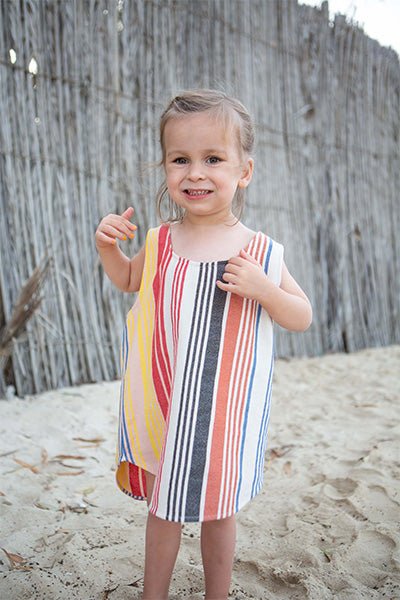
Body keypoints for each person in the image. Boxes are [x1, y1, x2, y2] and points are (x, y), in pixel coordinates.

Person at [95, 89, 312, 600]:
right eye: (180, 160)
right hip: (167, 402)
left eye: (213, 159)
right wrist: (109, 248)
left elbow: (300, 316)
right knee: (163, 507)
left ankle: (218, 593)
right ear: (165, 166)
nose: (195, 173)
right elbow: (129, 281)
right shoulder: (160, 240)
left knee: (219, 511)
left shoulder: (259, 251)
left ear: (244, 171)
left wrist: (264, 289)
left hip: (223, 415)